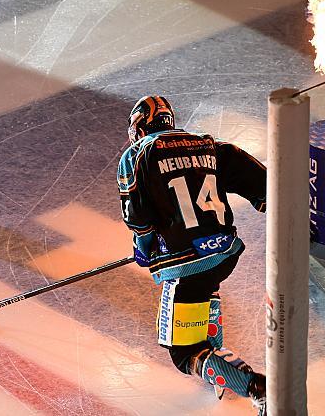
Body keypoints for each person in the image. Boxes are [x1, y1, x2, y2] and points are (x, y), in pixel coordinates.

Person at [117, 95, 267, 415]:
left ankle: (258, 388)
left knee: (185, 353)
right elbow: (261, 181)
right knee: (204, 290)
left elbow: (138, 220)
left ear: (138, 127)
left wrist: (143, 250)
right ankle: (221, 362)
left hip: (186, 264)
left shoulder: (137, 154)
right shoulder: (207, 144)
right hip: (225, 253)